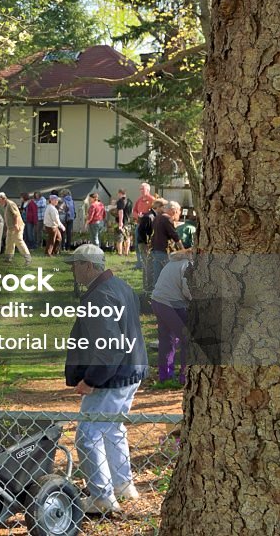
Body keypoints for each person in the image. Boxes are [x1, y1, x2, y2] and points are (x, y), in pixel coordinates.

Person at [62, 244, 147, 515]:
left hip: (111, 376)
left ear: (88, 265)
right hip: (129, 370)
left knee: (88, 435)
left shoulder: (100, 296)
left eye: (75, 265)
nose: (73, 270)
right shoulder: (120, 286)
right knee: (113, 429)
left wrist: (92, 379)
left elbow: (109, 345)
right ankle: (123, 485)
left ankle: (102, 496)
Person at [150, 250, 193, 384]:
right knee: (188, 339)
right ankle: (185, 377)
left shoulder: (171, 263)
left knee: (166, 340)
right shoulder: (187, 265)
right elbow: (188, 289)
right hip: (172, 304)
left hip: (158, 302)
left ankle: (165, 377)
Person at [150, 201, 184, 291]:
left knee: (158, 274)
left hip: (155, 248)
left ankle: (156, 293)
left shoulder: (157, 218)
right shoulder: (167, 219)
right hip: (164, 250)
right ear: (174, 211)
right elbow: (175, 236)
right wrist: (183, 250)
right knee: (169, 274)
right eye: (178, 212)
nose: (178, 215)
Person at [0, 193, 31, 265]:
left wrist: (16, 225)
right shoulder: (5, 205)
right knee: (9, 242)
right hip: (10, 228)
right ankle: (8, 258)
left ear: (2, 198)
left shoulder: (10, 204)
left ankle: (28, 259)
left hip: (16, 227)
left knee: (19, 241)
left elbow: (16, 215)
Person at [131, 184, 155, 270]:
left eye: (142, 189)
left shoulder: (152, 200)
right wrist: (137, 216)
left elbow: (154, 213)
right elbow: (134, 211)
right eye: (140, 189)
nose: (141, 190)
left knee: (146, 244)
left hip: (148, 226)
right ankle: (139, 263)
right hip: (139, 224)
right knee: (138, 244)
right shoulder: (139, 200)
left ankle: (147, 263)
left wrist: (145, 216)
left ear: (148, 190)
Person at [114, 189, 133, 256]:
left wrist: (120, 222)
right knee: (127, 237)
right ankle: (126, 252)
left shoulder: (120, 201)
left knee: (119, 237)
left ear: (120, 193)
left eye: (118, 194)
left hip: (121, 222)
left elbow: (121, 212)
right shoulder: (130, 201)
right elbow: (131, 212)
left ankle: (120, 253)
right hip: (128, 222)